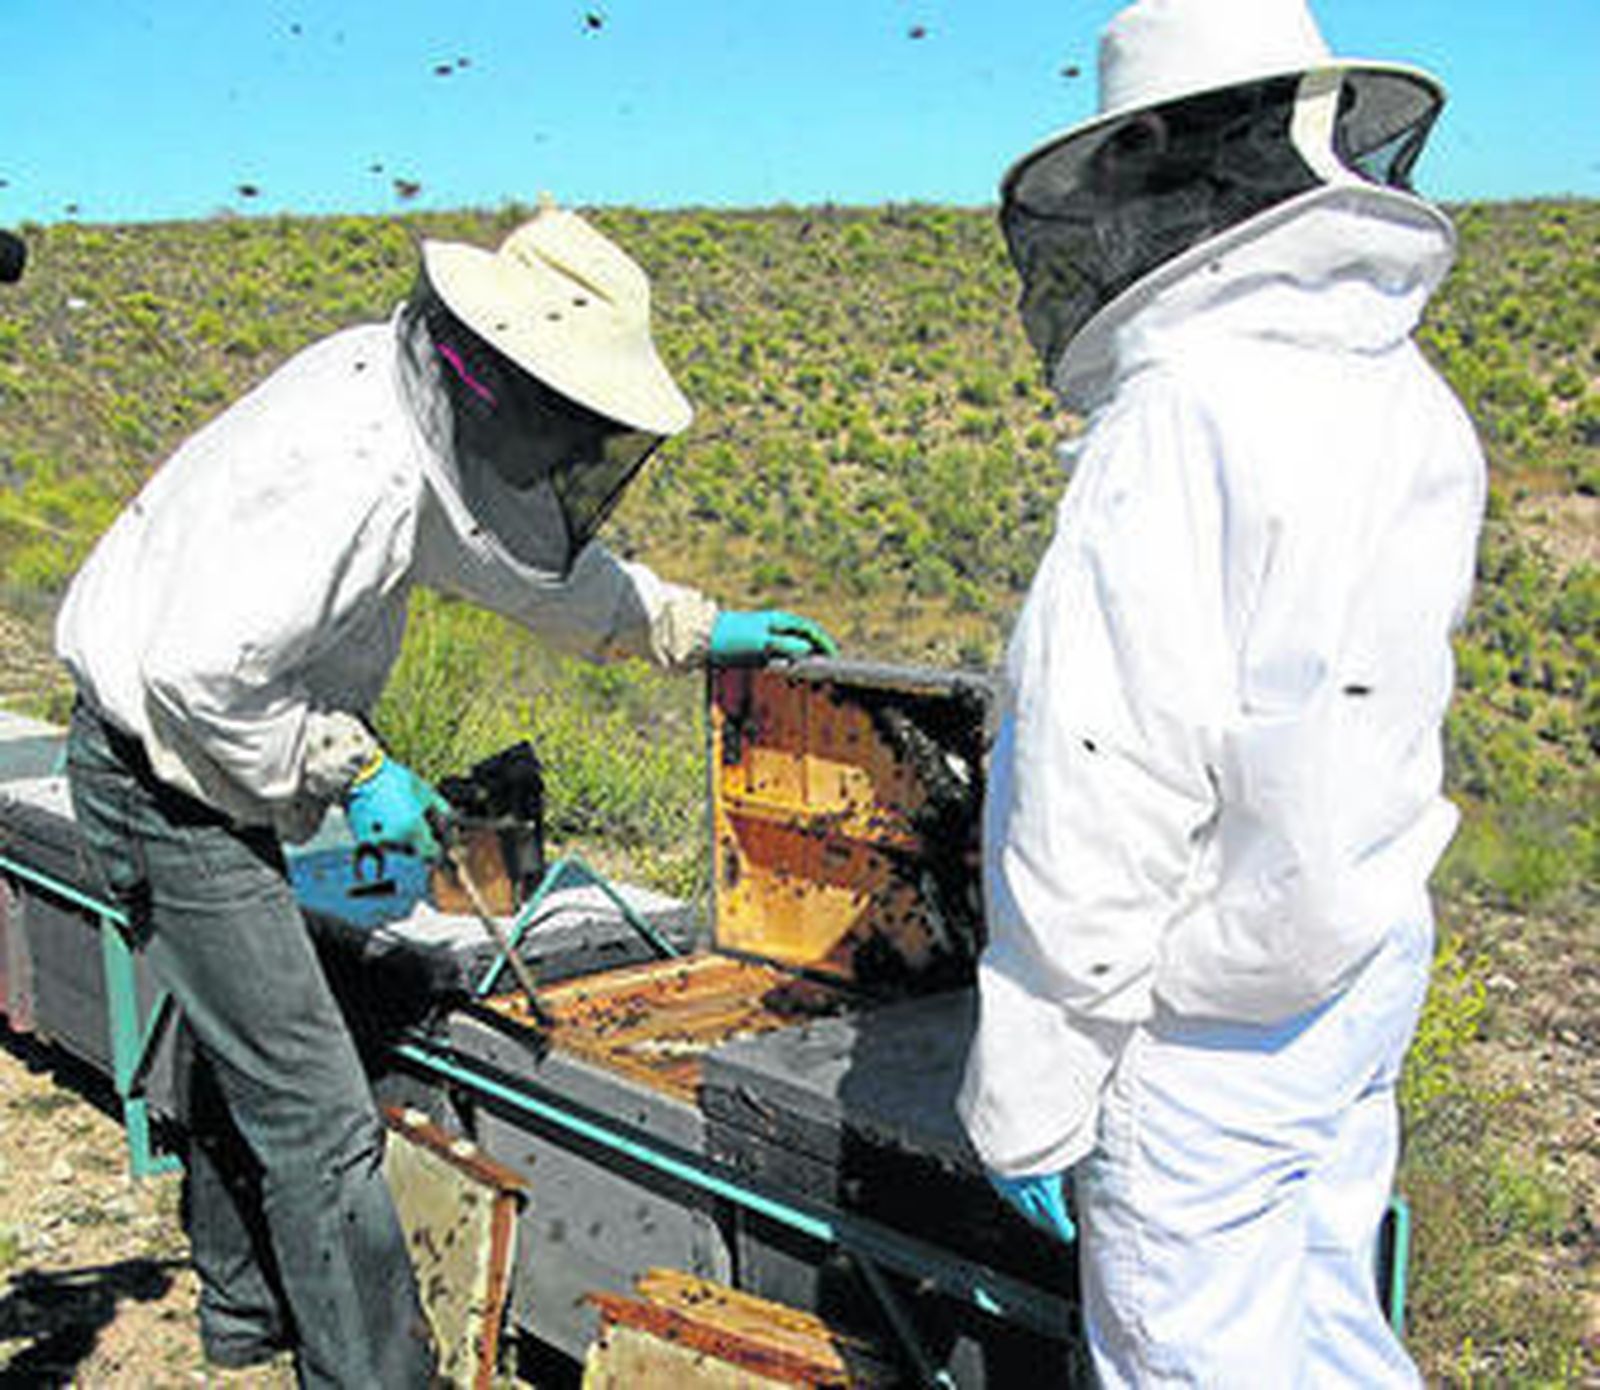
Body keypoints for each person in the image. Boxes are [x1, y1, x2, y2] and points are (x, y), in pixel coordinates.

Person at [55, 201, 834, 1386]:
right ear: (511, 389)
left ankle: (242, 1313)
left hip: (194, 762)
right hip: (162, 776)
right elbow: (197, 671)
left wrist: (691, 626)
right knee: (318, 1115)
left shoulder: (408, 410)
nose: (574, 456)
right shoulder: (355, 464)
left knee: (247, 1038)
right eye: (573, 427)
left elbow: (533, 574)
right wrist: (355, 767)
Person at [956, 0, 1486, 1382]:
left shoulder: (1178, 418)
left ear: (1150, 164)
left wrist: (1032, 1089)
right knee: (1332, 1325)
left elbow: (1096, 775)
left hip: (1207, 1035)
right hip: (1360, 963)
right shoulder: (1407, 389)